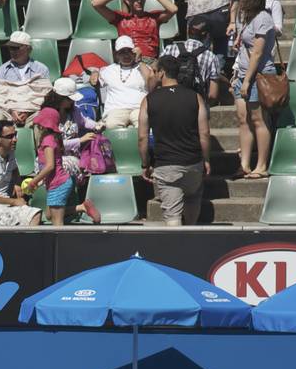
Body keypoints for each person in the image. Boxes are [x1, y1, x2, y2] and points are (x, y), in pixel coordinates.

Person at [139, 54, 211, 225]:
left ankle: (179, 248)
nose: (154, 75)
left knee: (172, 215)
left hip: (166, 165)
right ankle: (191, 237)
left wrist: (145, 163)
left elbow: (142, 137)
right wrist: (206, 160)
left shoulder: (149, 100)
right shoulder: (195, 97)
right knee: (193, 199)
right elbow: (205, 133)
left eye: (155, 71)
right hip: (193, 162)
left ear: (162, 73)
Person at [230, 0, 276, 178]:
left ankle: (262, 165)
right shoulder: (246, 18)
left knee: (258, 119)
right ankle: (245, 164)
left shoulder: (263, 18)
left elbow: (257, 52)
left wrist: (247, 81)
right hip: (241, 73)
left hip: (258, 75)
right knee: (243, 119)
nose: (239, 1)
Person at [26, 106, 99, 225]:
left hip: (57, 184)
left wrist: (34, 181)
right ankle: (82, 207)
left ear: (43, 125)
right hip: (59, 182)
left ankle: (61, 244)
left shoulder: (47, 141)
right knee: (50, 215)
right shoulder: (54, 138)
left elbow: (50, 166)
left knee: (57, 224)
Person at [90, 0, 177, 65]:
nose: (139, 1)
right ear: (128, 0)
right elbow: (95, 4)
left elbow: (173, 9)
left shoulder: (154, 18)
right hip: (127, 59)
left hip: (149, 61)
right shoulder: (120, 18)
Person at [93, 35, 154, 127]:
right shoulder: (109, 70)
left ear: (134, 52)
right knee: (111, 125)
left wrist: (140, 61)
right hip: (117, 109)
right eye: (122, 52)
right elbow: (94, 82)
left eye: (129, 52)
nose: (126, 55)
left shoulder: (143, 68)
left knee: (143, 125)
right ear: (116, 54)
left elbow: (151, 81)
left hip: (139, 108)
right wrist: (95, 72)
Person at [161, 13, 223, 102]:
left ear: (188, 31)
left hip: (169, 102)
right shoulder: (211, 57)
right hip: (196, 104)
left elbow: (158, 76)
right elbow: (213, 95)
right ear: (207, 35)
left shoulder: (169, 49)